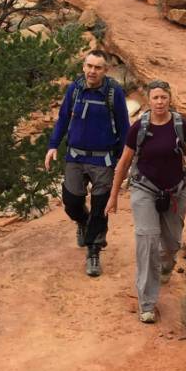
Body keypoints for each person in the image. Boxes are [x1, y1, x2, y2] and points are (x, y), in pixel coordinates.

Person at [106, 80, 186, 324]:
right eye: (155, 98)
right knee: (147, 241)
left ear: (170, 99)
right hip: (144, 189)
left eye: (163, 97)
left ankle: (166, 264)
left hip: (175, 191)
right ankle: (147, 304)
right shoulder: (139, 128)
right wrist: (113, 196)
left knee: (171, 243)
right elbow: (123, 164)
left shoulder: (181, 126)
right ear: (149, 100)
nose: (159, 102)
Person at [45, 50, 129, 277]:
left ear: (105, 70)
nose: (92, 71)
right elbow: (63, 118)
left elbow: (124, 127)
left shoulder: (113, 92)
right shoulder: (75, 89)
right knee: (71, 201)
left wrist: (123, 160)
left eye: (98, 67)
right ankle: (83, 222)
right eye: (89, 66)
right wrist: (53, 145)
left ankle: (94, 251)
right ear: (83, 67)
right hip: (75, 155)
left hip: (103, 158)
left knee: (100, 206)